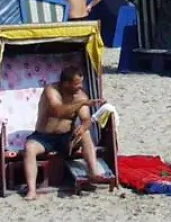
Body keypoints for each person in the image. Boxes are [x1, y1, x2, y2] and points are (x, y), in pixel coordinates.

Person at [23, 66, 110, 200]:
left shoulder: (81, 95)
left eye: (81, 83)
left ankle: (93, 172)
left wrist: (82, 127)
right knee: (29, 148)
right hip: (44, 137)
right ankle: (32, 190)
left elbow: (86, 119)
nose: (80, 87)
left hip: (66, 138)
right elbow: (58, 111)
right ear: (66, 83)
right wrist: (82, 103)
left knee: (86, 134)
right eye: (77, 84)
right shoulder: (51, 91)